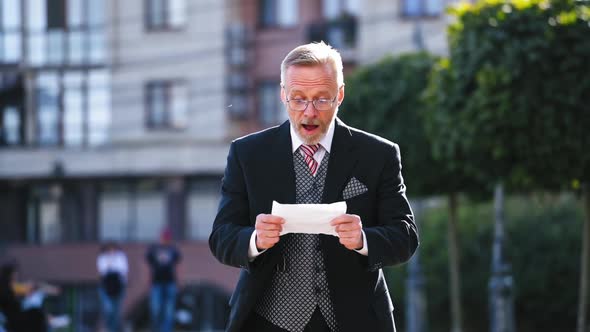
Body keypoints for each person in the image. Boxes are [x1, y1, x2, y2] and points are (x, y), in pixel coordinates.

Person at [209, 42, 419, 332]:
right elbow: (221, 236)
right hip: (265, 321)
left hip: (355, 320)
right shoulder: (247, 154)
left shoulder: (378, 155)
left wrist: (363, 240)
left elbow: (405, 236)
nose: (309, 112)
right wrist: (255, 239)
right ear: (283, 95)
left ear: (340, 95)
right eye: (298, 99)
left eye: (321, 99)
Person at [0, 260, 60, 332]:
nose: (16, 276)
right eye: (14, 274)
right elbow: (32, 287)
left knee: (37, 312)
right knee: (37, 313)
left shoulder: (7, 287)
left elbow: (30, 288)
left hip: (14, 319)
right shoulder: (9, 287)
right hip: (16, 320)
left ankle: (50, 320)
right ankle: (50, 321)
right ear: (10, 274)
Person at [146, 228, 182, 332]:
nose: (165, 240)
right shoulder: (153, 249)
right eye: (163, 238)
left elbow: (178, 266)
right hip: (156, 283)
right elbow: (149, 266)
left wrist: (178, 282)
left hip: (170, 283)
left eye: (167, 238)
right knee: (156, 309)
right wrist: (148, 282)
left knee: (169, 311)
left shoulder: (173, 249)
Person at [97, 242, 128, 332]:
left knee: (116, 311)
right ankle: (109, 328)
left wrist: (112, 264)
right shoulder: (102, 258)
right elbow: (103, 270)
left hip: (118, 286)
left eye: (113, 249)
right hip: (106, 286)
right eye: (109, 250)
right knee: (108, 309)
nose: (112, 252)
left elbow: (123, 270)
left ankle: (114, 329)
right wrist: (110, 263)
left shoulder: (121, 257)